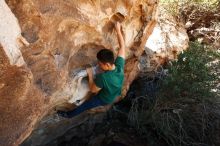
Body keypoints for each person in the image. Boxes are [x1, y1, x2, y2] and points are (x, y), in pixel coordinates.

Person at [57, 22, 125, 118]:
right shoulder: (119, 65)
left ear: (107, 64)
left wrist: (90, 75)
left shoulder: (103, 78)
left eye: (100, 63)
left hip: (104, 98)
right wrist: (118, 30)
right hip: (114, 91)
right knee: (103, 87)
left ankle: (68, 115)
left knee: (86, 105)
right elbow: (122, 47)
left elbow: (93, 89)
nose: (98, 64)